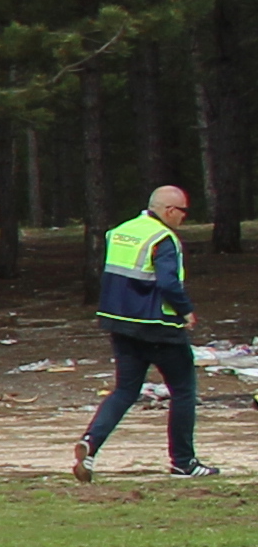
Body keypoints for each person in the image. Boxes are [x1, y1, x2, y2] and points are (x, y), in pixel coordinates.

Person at [78, 181, 210, 478]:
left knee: (125, 391)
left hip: (120, 323)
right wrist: (185, 309)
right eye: (182, 212)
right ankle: (184, 461)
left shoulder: (121, 232)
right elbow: (167, 282)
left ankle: (90, 444)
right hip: (158, 326)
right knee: (183, 391)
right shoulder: (164, 238)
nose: (183, 218)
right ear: (168, 210)